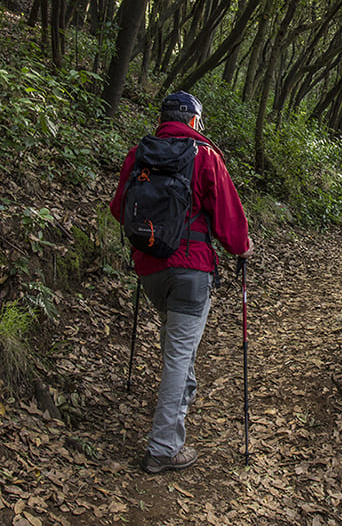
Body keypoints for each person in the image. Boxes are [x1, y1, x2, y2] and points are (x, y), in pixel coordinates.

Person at [110, 91, 253, 474]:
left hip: (150, 269)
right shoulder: (204, 156)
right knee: (178, 353)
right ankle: (163, 448)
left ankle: (181, 398)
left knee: (177, 344)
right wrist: (242, 247)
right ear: (194, 121)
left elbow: (117, 208)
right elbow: (228, 217)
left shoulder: (139, 154)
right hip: (191, 268)